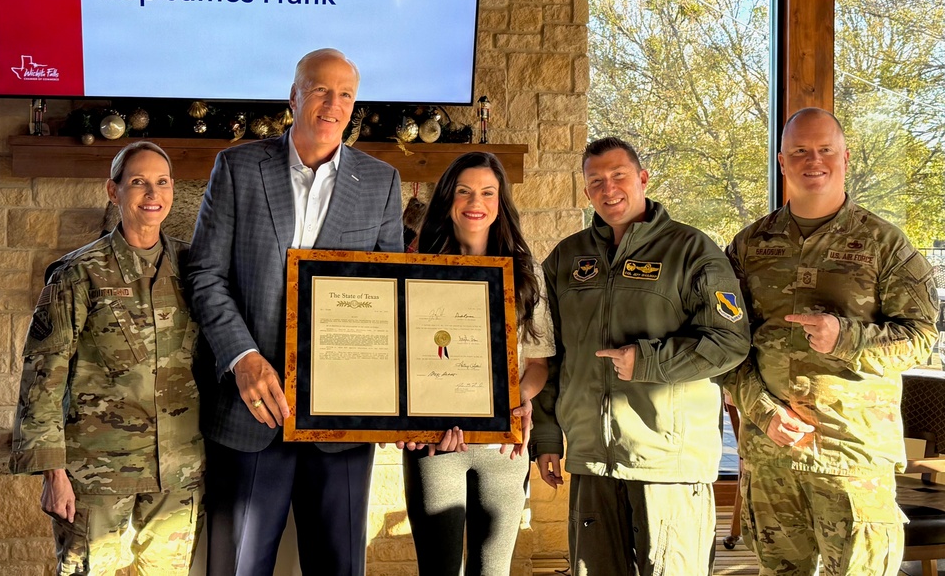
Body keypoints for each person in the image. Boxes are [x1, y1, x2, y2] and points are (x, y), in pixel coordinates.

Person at [187, 48, 404, 576]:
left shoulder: (381, 182)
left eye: (346, 94)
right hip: (250, 407)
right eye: (321, 90)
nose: (334, 104)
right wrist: (242, 357)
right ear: (294, 96)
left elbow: (390, 299)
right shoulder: (237, 167)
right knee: (239, 566)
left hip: (344, 420)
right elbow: (204, 276)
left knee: (338, 566)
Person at [725, 107, 938, 576]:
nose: (812, 160)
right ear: (782, 161)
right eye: (800, 150)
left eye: (825, 150)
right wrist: (762, 409)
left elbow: (922, 339)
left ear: (844, 156)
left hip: (854, 455)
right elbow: (725, 345)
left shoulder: (885, 244)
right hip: (772, 454)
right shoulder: (748, 246)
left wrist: (846, 337)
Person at [531, 136, 750, 576]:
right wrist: (548, 438)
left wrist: (649, 361)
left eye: (618, 176)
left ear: (643, 179)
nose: (608, 189)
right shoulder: (566, 259)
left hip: (668, 462)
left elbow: (730, 341)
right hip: (593, 459)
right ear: (586, 189)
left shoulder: (691, 251)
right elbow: (547, 355)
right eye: (596, 181)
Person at [11, 141, 203, 575]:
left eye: (162, 182)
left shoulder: (194, 268)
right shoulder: (78, 273)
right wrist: (53, 473)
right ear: (114, 192)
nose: (152, 194)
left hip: (178, 469)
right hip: (96, 473)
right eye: (138, 182)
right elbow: (42, 375)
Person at [401, 151, 555, 576]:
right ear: (448, 198)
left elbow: (538, 364)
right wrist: (404, 420)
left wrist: (517, 400)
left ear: (500, 203)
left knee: (493, 572)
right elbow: (400, 363)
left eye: (488, 192)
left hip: (503, 447)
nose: (476, 201)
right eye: (465, 191)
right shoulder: (415, 269)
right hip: (435, 444)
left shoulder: (526, 272)